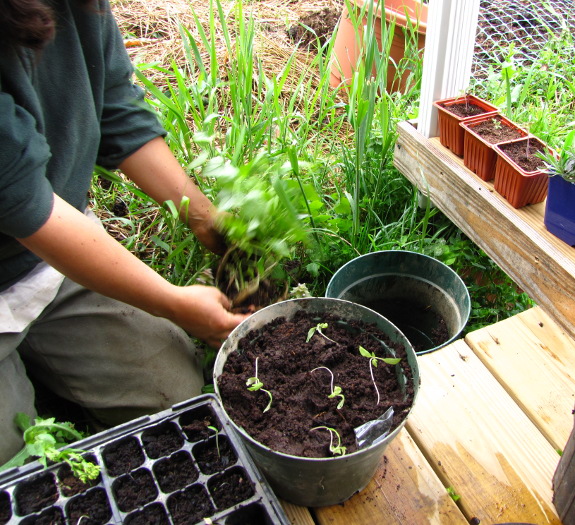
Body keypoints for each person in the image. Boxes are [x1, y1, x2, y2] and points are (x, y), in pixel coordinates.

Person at [0, 0, 250, 464]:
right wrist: (173, 302)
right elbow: (21, 200)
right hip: (25, 242)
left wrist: (211, 226)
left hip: (56, 258)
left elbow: (115, 107)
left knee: (176, 399)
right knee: (19, 472)